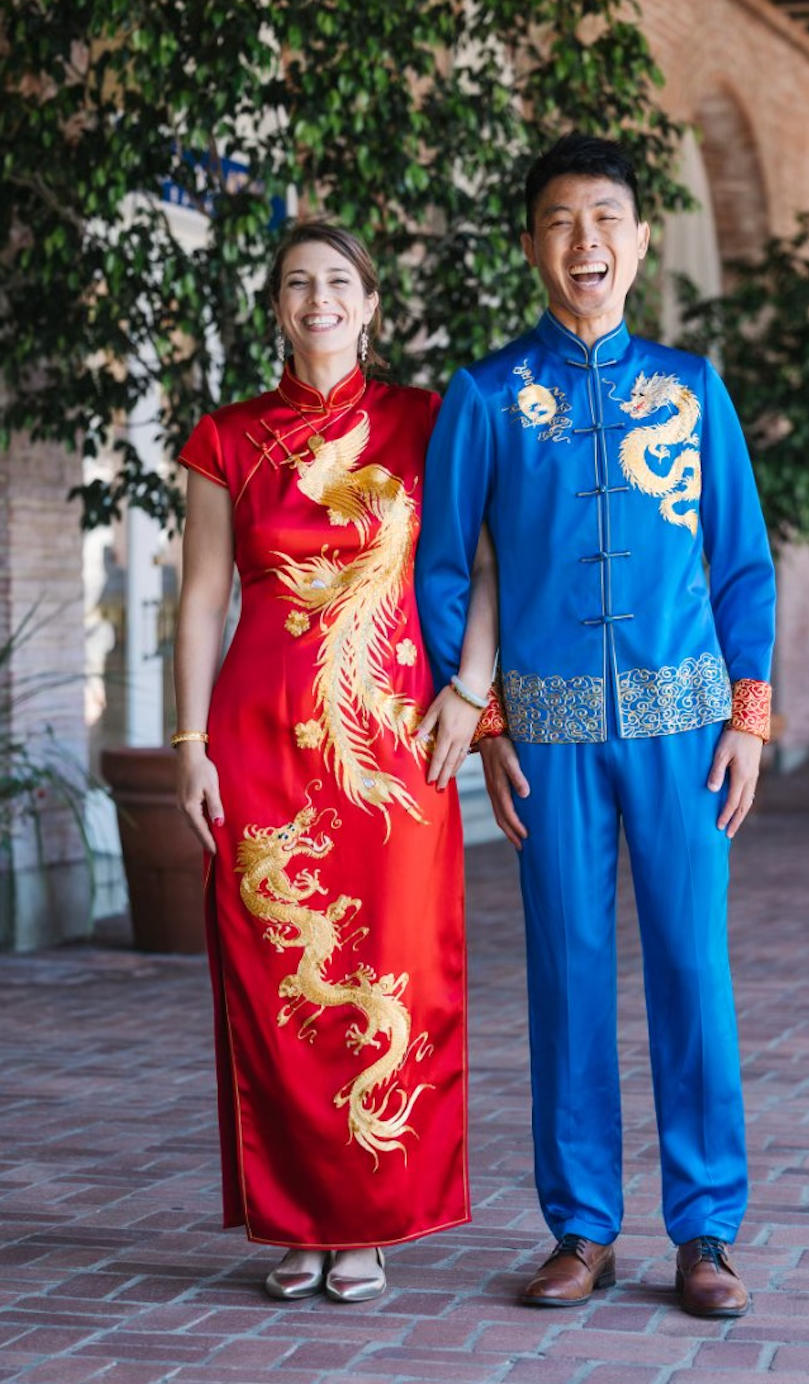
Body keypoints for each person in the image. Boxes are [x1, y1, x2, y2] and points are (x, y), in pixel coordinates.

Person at [416, 133, 776, 1318]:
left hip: (683, 735)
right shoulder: (482, 398)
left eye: (609, 218)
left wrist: (749, 718)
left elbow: (742, 568)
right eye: (563, 221)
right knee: (568, 978)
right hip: (549, 743)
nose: (587, 243)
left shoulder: (693, 389)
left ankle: (706, 1229)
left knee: (691, 969)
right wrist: (486, 727)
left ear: (636, 239)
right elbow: (444, 574)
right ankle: (581, 1228)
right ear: (532, 245)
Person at [173, 220, 497, 1304]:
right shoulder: (226, 437)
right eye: (297, 283)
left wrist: (472, 690)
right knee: (276, 987)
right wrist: (187, 745)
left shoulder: (426, 422)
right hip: (259, 739)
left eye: (338, 283)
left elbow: (486, 563)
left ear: (370, 305)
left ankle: (367, 1222)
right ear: (276, 304)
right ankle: (296, 1224)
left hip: (393, 743)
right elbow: (202, 598)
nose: (318, 299)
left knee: (401, 958)